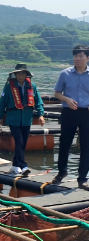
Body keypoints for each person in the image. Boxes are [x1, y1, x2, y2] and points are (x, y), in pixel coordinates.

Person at [0, 64, 45, 175]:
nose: (21, 76)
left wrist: (41, 114)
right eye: (18, 73)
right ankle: (23, 166)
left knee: (23, 143)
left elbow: (38, 101)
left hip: (27, 119)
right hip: (13, 118)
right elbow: (2, 102)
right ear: (15, 74)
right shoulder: (9, 87)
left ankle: (15, 165)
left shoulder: (32, 86)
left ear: (26, 74)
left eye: (23, 73)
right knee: (19, 141)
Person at [53, 45, 89, 188]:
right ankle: (62, 172)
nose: (77, 59)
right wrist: (67, 99)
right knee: (64, 143)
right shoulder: (65, 73)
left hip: (86, 113)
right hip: (69, 112)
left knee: (86, 146)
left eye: (80, 56)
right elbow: (57, 93)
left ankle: (82, 178)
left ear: (87, 57)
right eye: (75, 56)